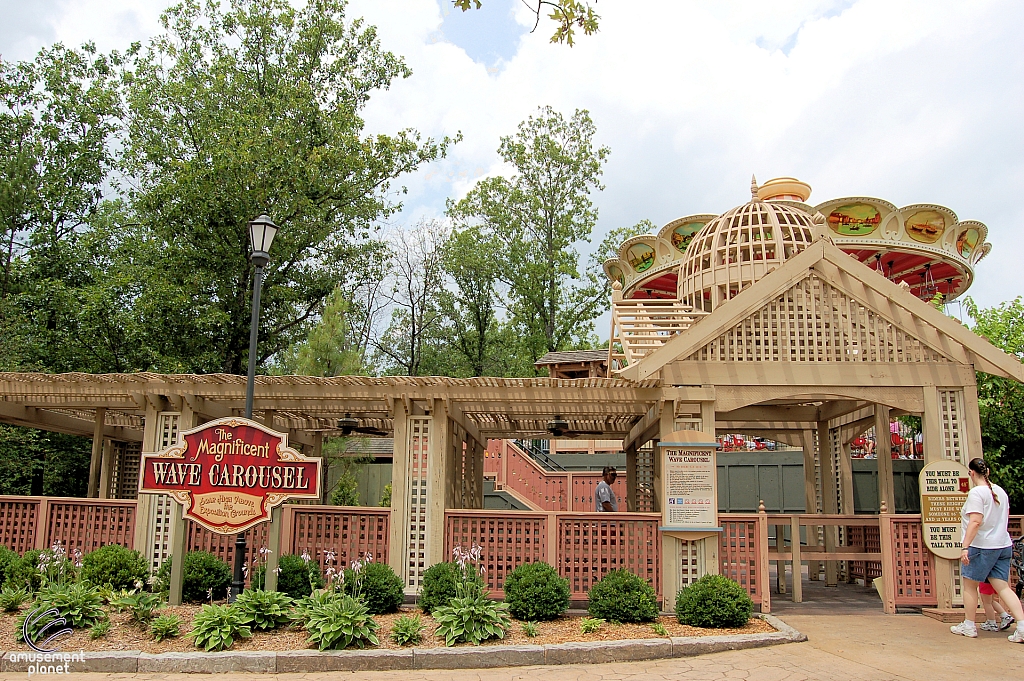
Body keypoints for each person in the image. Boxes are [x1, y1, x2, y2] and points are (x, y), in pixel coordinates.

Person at [950, 458, 1024, 642]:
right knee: (1003, 587)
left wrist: (965, 546)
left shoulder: (976, 493)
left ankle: (969, 624)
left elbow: (975, 521)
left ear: (972, 473)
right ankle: (1022, 625)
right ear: (988, 472)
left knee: (970, 585)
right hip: (1002, 543)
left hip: (982, 545)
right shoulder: (1001, 491)